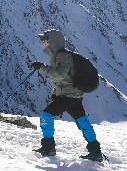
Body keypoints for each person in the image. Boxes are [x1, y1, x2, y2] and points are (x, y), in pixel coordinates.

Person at [30, 28, 103, 161]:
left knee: (46, 115)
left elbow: (59, 75)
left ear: (53, 42)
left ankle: (48, 148)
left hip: (68, 96)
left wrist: (42, 67)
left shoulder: (62, 56)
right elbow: (64, 79)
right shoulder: (59, 55)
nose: (43, 43)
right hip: (74, 95)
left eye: (45, 40)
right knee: (82, 121)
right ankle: (95, 152)